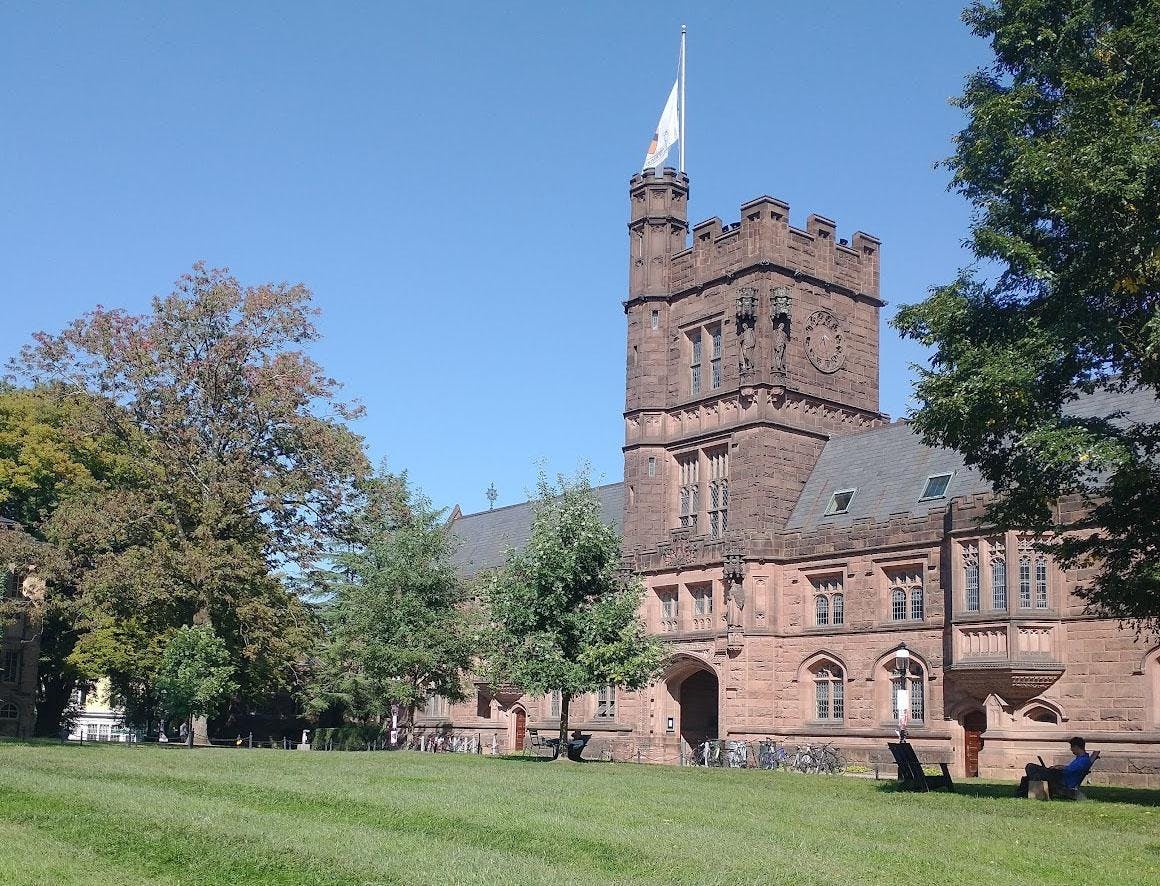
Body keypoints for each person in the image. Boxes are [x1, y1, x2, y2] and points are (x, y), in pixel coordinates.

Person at [1015, 736, 1100, 797]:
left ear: (1077, 747)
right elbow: (1072, 769)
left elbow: (1069, 770)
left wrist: (1059, 768)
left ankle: (1037, 794)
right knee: (1031, 774)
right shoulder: (1082, 759)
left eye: (1072, 747)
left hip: (1061, 780)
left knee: (1030, 767)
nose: (1071, 749)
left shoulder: (1083, 760)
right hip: (1060, 776)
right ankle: (1027, 793)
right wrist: (1058, 767)